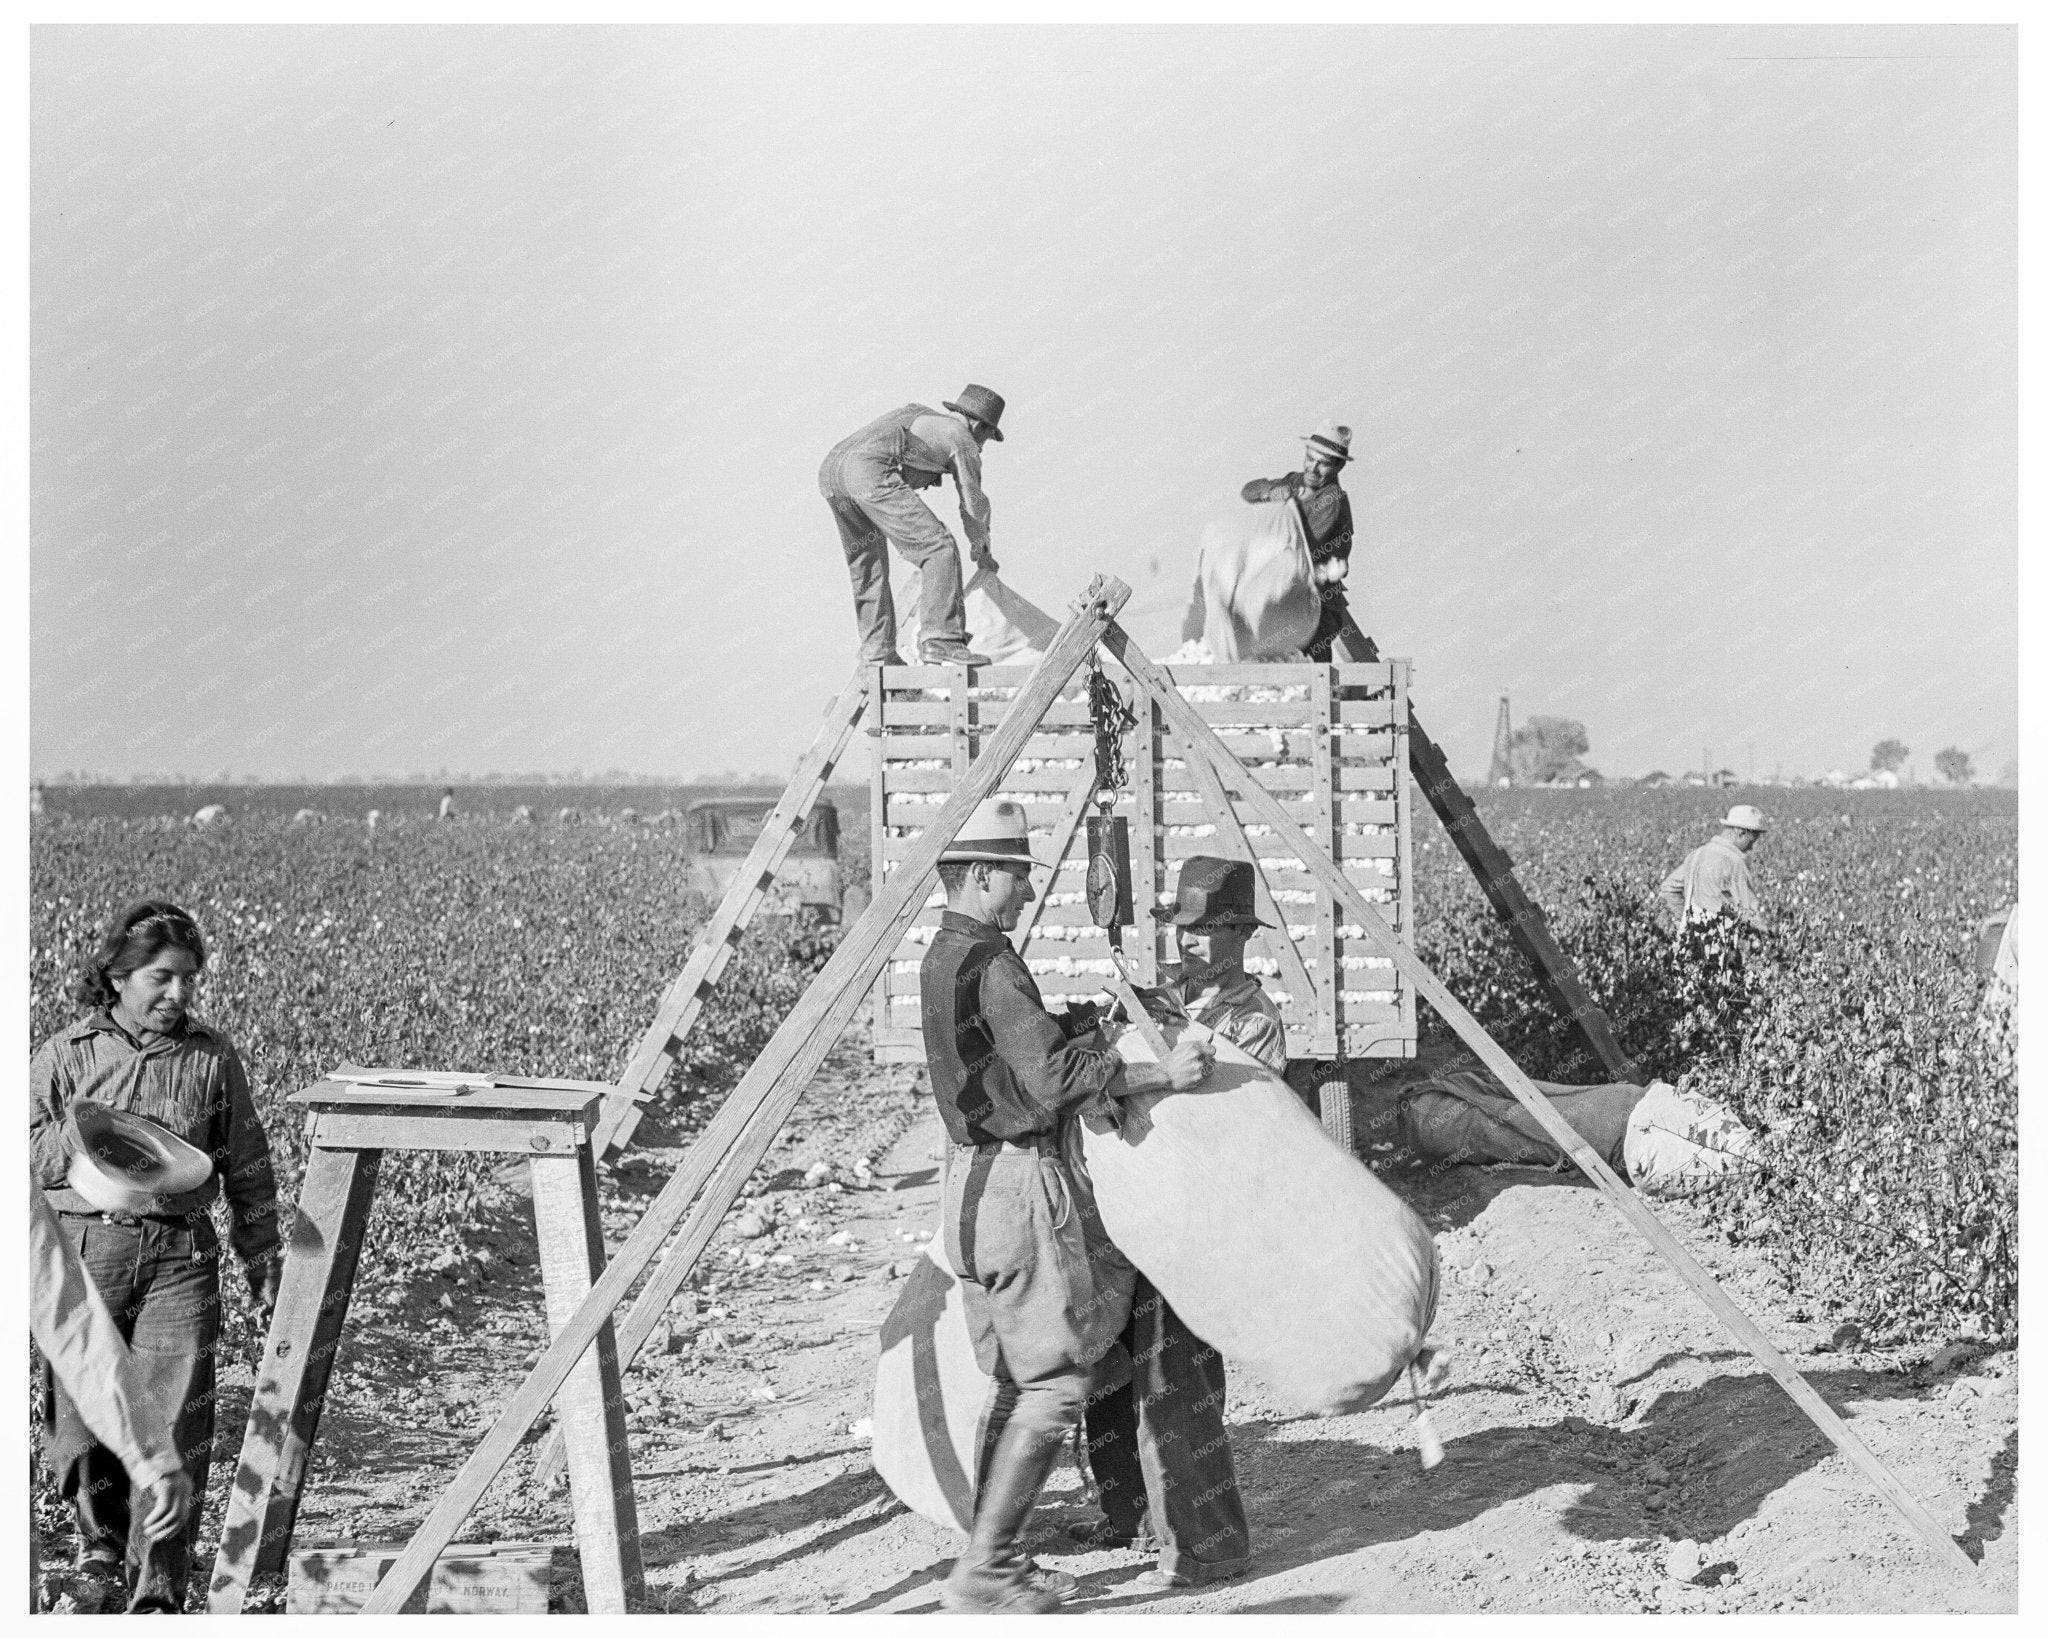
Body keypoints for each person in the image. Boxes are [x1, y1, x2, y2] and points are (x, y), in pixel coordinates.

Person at [921, 798, 1215, 1613]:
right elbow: (1050, 1083)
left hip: (966, 1186)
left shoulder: (943, 955)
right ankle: (988, 1571)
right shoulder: (995, 962)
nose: (1024, 892)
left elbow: (1007, 1059)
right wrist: (1159, 1074)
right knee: (1057, 1380)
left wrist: (1073, 1026)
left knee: (1016, 1377)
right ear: (982, 875)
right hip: (1017, 1188)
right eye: (1017, 878)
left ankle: (996, 1556)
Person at [30, 900, 283, 1614]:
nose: (178, 993)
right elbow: (23, 1152)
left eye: (189, 979)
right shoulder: (64, 1054)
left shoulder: (211, 1057)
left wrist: (262, 1257)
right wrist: (84, 1131)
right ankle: (100, 1548)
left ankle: (160, 1588)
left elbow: (247, 1163)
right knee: (81, 1415)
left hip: (180, 1253)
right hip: (86, 1247)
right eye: (161, 977)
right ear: (118, 976)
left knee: (175, 1420)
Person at [1067, 856, 1265, 1589]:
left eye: (1204, 930)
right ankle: (1128, 1515)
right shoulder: (1162, 1002)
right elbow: (1103, 1084)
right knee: (1110, 1372)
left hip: (1194, 1225)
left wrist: (1144, 1079)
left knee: (1175, 1383)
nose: (1188, 942)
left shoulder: (1252, 1022)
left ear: (1240, 935)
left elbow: (1225, 1125)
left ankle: (1209, 1547)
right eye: (1182, 928)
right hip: (1133, 1213)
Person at [29, 1186, 194, 1613]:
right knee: (78, 1434)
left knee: (170, 1413)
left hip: (178, 1237)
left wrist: (154, 1460)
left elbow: (78, 1336)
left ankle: (154, 1595)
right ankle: (102, 1541)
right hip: (88, 1231)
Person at [820, 385, 1006, 668]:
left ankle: (878, 652)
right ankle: (942, 640)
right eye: (987, 438)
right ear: (979, 425)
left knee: (867, 564)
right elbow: (973, 501)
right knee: (939, 547)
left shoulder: (923, 417)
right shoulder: (961, 438)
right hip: (869, 472)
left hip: (832, 471)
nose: (981, 447)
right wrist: (982, 548)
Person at [1241, 419, 1356, 661]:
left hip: (1316, 606)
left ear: (1338, 467)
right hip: (1287, 599)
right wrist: (1269, 491)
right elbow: (1248, 491)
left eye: (1323, 464)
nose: (1313, 468)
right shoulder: (1295, 481)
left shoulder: (1332, 501)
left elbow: (1299, 548)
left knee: (1310, 670)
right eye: (1310, 458)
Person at [1658, 805, 1768, 928]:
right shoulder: (1735, 862)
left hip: (1690, 936)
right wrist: (1768, 933)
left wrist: (1688, 920)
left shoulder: (1696, 855)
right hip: (1725, 938)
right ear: (1741, 833)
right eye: (1751, 841)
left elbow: (1667, 890)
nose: (1751, 848)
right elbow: (1750, 913)